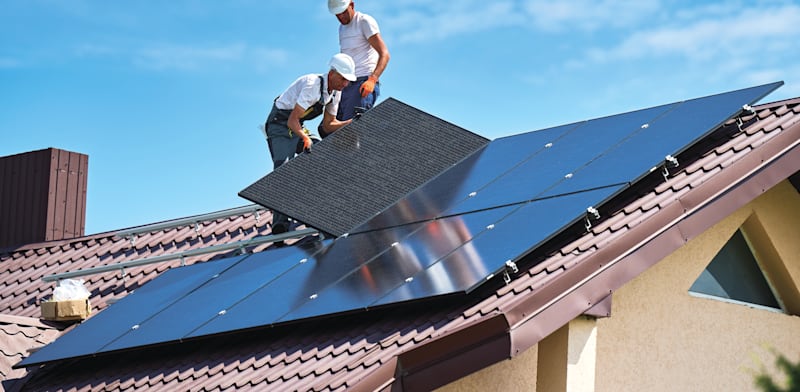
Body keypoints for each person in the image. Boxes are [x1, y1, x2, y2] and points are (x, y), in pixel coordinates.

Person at [264, 53, 357, 235]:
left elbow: (329, 125)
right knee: (284, 167)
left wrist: (351, 123)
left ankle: (313, 213)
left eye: (348, 81)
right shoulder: (312, 85)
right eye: (344, 79)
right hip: (280, 124)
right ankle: (280, 223)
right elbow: (292, 120)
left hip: (298, 126)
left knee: (318, 154)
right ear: (332, 73)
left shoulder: (335, 93)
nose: (345, 84)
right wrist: (305, 138)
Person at [327, 0, 390, 130]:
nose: (341, 17)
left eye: (343, 12)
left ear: (352, 5)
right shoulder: (342, 28)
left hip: (362, 83)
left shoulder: (364, 21)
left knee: (353, 131)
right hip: (345, 85)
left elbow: (384, 54)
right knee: (331, 130)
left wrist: (372, 80)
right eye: (337, 14)